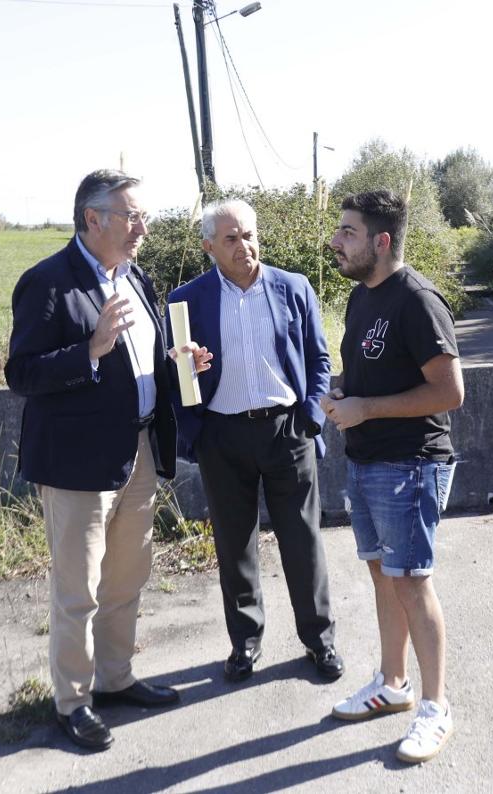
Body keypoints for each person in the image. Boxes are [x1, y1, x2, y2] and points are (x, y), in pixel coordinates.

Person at [5, 169, 210, 752]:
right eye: (132, 216)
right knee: (79, 589)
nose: (143, 227)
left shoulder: (136, 276)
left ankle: (115, 679)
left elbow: (140, 362)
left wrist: (180, 363)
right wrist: (89, 349)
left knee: (127, 577)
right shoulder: (47, 282)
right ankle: (72, 701)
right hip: (76, 464)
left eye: (143, 215)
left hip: (139, 449)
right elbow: (21, 374)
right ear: (92, 219)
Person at [166, 198, 343, 683]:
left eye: (248, 235)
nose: (243, 246)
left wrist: (310, 419)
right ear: (208, 247)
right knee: (234, 545)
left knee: (303, 542)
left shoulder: (293, 287)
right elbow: (176, 374)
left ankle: (319, 641)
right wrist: (195, 430)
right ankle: (245, 643)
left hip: (287, 431)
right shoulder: (186, 300)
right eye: (230, 239)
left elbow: (318, 361)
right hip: (222, 436)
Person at [322, 190, 464, 764]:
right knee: (384, 576)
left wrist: (367, 410)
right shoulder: (362, 297)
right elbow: (371, 374)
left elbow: (450, 393)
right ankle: (392, 684)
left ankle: (435, 708)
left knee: (411, 580)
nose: (337, 241)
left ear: (381, 241)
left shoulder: (416, 301)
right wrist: (342, 390)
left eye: (348, 232)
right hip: (367, 460)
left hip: (410, 464)